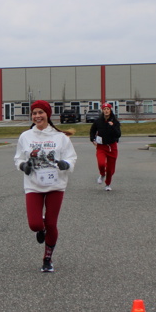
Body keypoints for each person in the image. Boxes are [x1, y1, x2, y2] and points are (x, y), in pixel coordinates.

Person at [14, 100, 78, 272]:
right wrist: (23, 166)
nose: (37, 116)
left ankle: (47, 258)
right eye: (34, 113)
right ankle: (40, 228)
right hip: (33, 185)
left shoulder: (60, 137)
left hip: (55, 185)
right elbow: (18, 158)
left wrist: (66, 164)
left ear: (47, 115)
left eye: (40, 112)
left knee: (51, 224)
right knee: (35, 224)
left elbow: (71, 157)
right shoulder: (25, 136)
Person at [89, 102, 122, 191]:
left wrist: (112, 126)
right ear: (102, 111)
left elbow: (118, 134)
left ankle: (108, 184)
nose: (106, 111)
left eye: (108, 109)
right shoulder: (98, 121)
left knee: (110, 169)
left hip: (112, 147)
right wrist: (93, 139)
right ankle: (102, 174)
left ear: (110, 110)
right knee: (101, 163)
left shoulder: (115, 122)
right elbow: (92, 131)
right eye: (104, 109)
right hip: (101, 146)